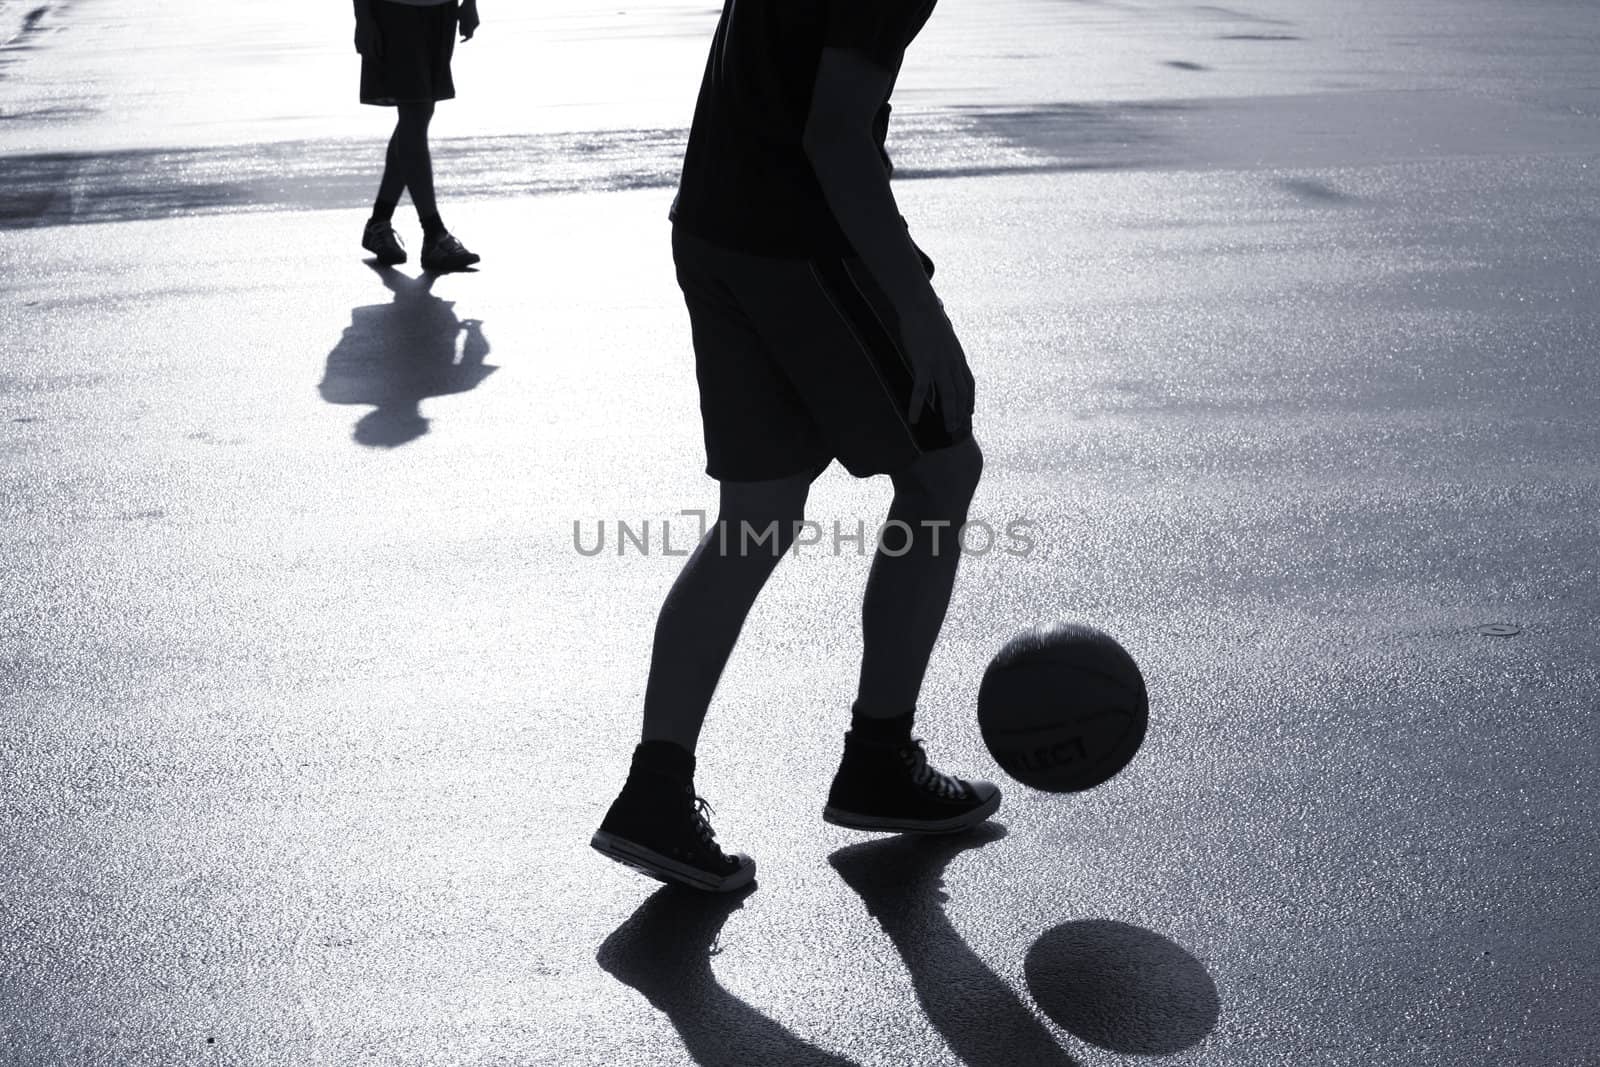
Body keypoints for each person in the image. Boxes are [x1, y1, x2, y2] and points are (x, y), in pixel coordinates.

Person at [591, 0, 999, 894]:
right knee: (941, 471)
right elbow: (838, 141)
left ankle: (655, 790)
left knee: (759, 514)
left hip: (713, 221)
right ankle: (880, 756)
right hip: (797, 237)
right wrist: (917, 310)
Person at [353, 0, 481, 273]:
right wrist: (363, 17)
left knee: (418, 113)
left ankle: (379, 223)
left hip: (440, 10)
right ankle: (433, 232)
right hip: (395, 10)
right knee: (415, 111)